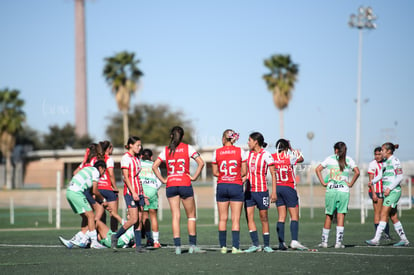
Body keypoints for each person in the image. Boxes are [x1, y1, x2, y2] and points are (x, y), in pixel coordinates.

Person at [152, 126, 206, 255]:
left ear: (171, 136)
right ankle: (192, 246)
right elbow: (201, 163)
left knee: (175, 216)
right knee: (191, 216)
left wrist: (164, 180)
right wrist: (194, 177)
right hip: (184, 183)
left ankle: (177, 247)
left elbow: (154, 166)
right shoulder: (188, 148)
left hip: (171, 185)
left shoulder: (166, 150)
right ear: (182, 136)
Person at [315, 141, 360, 249]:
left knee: (329, 215)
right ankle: (338, 243)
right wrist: (351, 183)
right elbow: (357, 172)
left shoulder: (330, 159)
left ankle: (324, 242)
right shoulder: (348, 160)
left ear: (336, 150)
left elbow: (317, 169)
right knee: (341, 216)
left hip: (331, 190)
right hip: (343, 191)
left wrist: (322, 182)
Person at [366, 143, 410, 247]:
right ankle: (404, 239)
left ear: (388, 151)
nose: (381, 152)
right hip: (388, 192)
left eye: (382, 150)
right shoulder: (385, 162)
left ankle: (376, 239)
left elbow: (399, 177)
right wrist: (373, 181)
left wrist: (389, 188)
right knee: (393, 216)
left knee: (383, 214)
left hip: (393, 192)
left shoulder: (395, 161)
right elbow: (381, 175)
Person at [58, 160, 108, 249]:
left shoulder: (88, 169)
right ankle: (94, 242)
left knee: (86, 218)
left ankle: (73, 242)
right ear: (100, 168)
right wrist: (103, 199)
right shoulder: (96, 172)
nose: (103, 174)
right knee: (91, 216)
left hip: (69, 192)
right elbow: (95, 191)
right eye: (104, 171)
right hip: (76, 193)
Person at [110, 136, 148, 253]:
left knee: (139, 219)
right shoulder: (126, 158)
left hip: (139, 192)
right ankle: (116, 236)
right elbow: (126, 178)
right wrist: (133, 192)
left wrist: (143, 194)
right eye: (137, 145)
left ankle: (138, 247)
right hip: (130, 193)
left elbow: (138, 178)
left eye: (140, 145)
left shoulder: (137, 158)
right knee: (133, 219)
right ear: (130, 145)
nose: (139, 147)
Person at [212, 129, 247, 254]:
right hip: (235, 185)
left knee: (222, 218)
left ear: (223, 138)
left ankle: (223, 247)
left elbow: (215, 172)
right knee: (235, 219)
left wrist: (224, 175)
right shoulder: (240, 151)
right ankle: (235, 247)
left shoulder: (216, 152)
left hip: (222, 185)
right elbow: (244, 172)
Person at [244, 132, 277, 253]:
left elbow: (273, 174)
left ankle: (267, 245)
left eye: (249, 140)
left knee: (264, 217)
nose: (248, 142)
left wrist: (274, 192)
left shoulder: (266, 155)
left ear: (255, 142)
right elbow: (244, 172)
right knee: (249, 217)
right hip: (249, 191)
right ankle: (255, 244)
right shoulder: (247, 154)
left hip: (262, 191)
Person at [272, 138, 307, 251]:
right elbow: (301, 158)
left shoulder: (273, 157)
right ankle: (294, 241)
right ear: (286, 147)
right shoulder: (289, 157)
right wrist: (292, 149)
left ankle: (281, 242)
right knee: (294, 216)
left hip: (278, 187)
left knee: (281, 216)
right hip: (289, 187)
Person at [139, 148, 162, 248]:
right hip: (152, 191)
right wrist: (154, 188)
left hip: (142, 191)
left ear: (141, 156)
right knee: (153, 217)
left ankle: (148, 239)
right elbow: (160, 181)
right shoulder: (154, 165)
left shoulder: (138, 164)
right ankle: (156, 241)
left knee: (144, 217)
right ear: (151, 157)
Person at [97, 140, 122, 231]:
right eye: (111, 147)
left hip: (98, 189)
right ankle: (113, 236)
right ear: (108, 149)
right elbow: (111, 174)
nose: (113, 149)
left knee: (100, 215)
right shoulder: (109, 159)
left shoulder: (97, 159)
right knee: (113, 214)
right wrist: (115, 187)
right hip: (108, 189)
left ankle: (101, 236)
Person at [367, 147, 391, 240]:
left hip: (385, 191)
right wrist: (373, 194)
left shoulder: (386, 162)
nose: (377, 156)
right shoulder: (372, 164)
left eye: (379, 154)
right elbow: (371, 180)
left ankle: (387, 234)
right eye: (375, 154)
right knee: (378, 212)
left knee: (386, 213)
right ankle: (379, 235)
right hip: (376, 191)